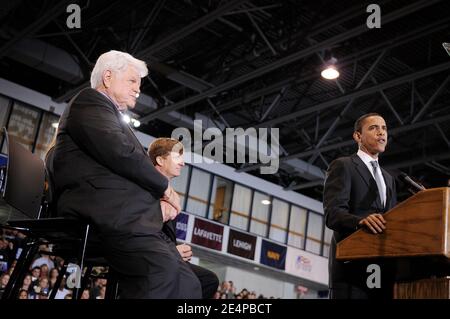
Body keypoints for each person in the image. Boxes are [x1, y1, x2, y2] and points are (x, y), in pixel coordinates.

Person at [51, 50, 201, 298]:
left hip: (118, 215)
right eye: (132, 81)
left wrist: (157, 206)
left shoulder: (108, 113)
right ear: (108, 77)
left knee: (191, 283)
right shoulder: (89, 101)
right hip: (99, 212)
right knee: (165, 272)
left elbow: (127, 161)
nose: (138, 89)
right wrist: (164, 190)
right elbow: (121, 153)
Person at [323, 113, 397, 299]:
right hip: (351, 269)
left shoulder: (389, 179)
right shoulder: (343, 165)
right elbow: (333, 214)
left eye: (384, 128)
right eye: (373, 128)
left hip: (381, 270)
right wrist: (360, 222)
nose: (381, 133)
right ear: (357, 136)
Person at [148, 138, 219, 299]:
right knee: (206, 280)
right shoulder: (149, 187)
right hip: (149, 255)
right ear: (160, 160)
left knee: (207, 280)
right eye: (177, 158)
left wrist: (175, 249)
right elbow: (145, 229)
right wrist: (173, 251)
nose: (183, 163)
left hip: (164, 253)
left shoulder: (168, 192)